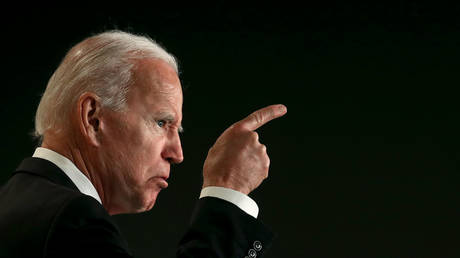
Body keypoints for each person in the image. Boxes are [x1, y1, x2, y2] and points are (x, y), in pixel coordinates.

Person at [0, 30, 287, 257]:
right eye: (162, 123)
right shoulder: (73, 221)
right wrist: (228, 189)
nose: (177, 154)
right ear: (93, 119)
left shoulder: (15, 203)